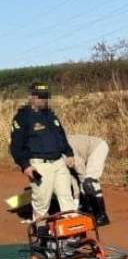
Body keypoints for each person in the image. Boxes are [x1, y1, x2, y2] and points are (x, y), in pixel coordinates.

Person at [8, 82, 78, 220]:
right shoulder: (22, 117)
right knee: (42, 202)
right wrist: (25, 165)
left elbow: (61, 136)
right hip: (40, 165)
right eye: (40, 97)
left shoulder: (50, 115)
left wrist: (69, 153)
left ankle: (70, 229)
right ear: (32, 97)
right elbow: (16, 146)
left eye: (45, 96)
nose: (44, 100)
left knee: (67, 198)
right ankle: (41, 230)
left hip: (59, 162)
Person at [67, 134, 111, 226]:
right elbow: (72, 176)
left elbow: (79, 167)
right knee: (82, 183)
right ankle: (88, 211)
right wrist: (76, 196)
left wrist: (82, 188)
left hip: (98, 147)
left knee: (89, 182)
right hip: (85, 155)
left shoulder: (63, 147)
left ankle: (102, 216)